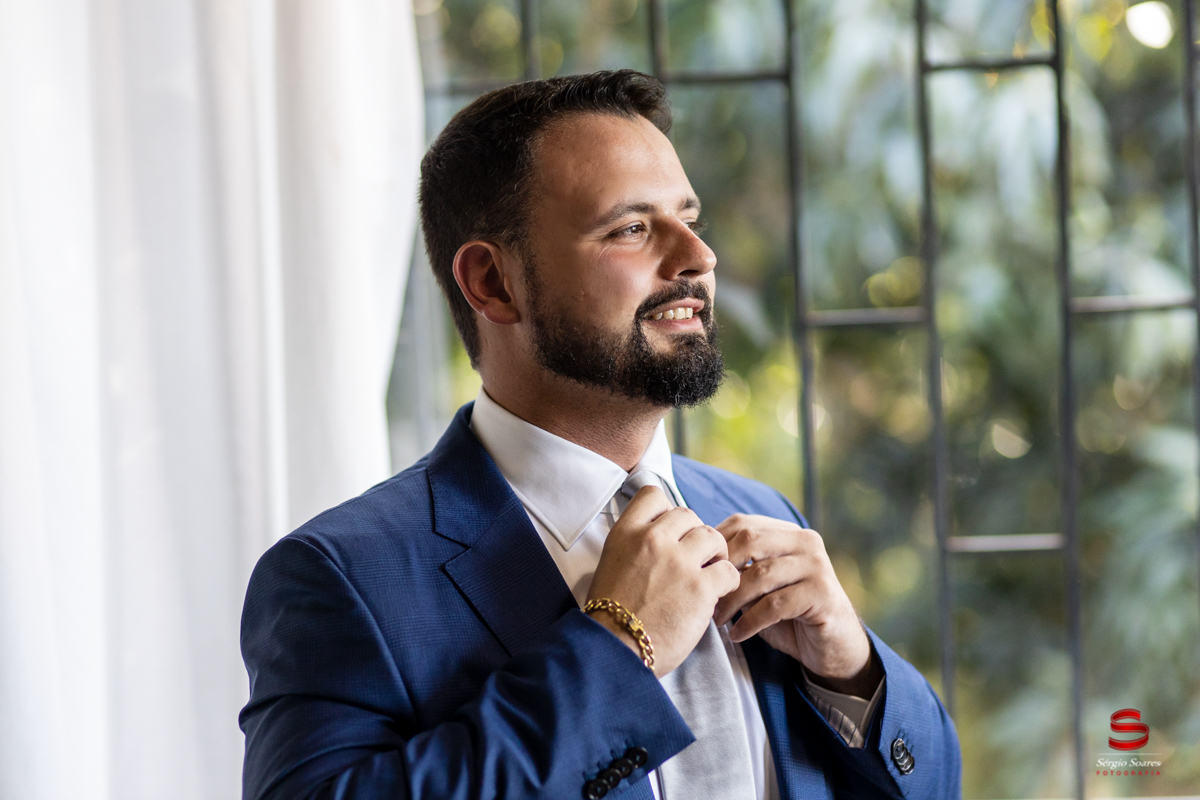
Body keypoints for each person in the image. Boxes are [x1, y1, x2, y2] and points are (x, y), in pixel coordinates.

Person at [239, 69, 960, 800]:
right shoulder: (340, 580)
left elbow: (935, 784)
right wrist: (617, 649)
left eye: (690, 219)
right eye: (632, 228)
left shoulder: (762, 514)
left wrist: (852, 671)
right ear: (492, 282)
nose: (698, 257)